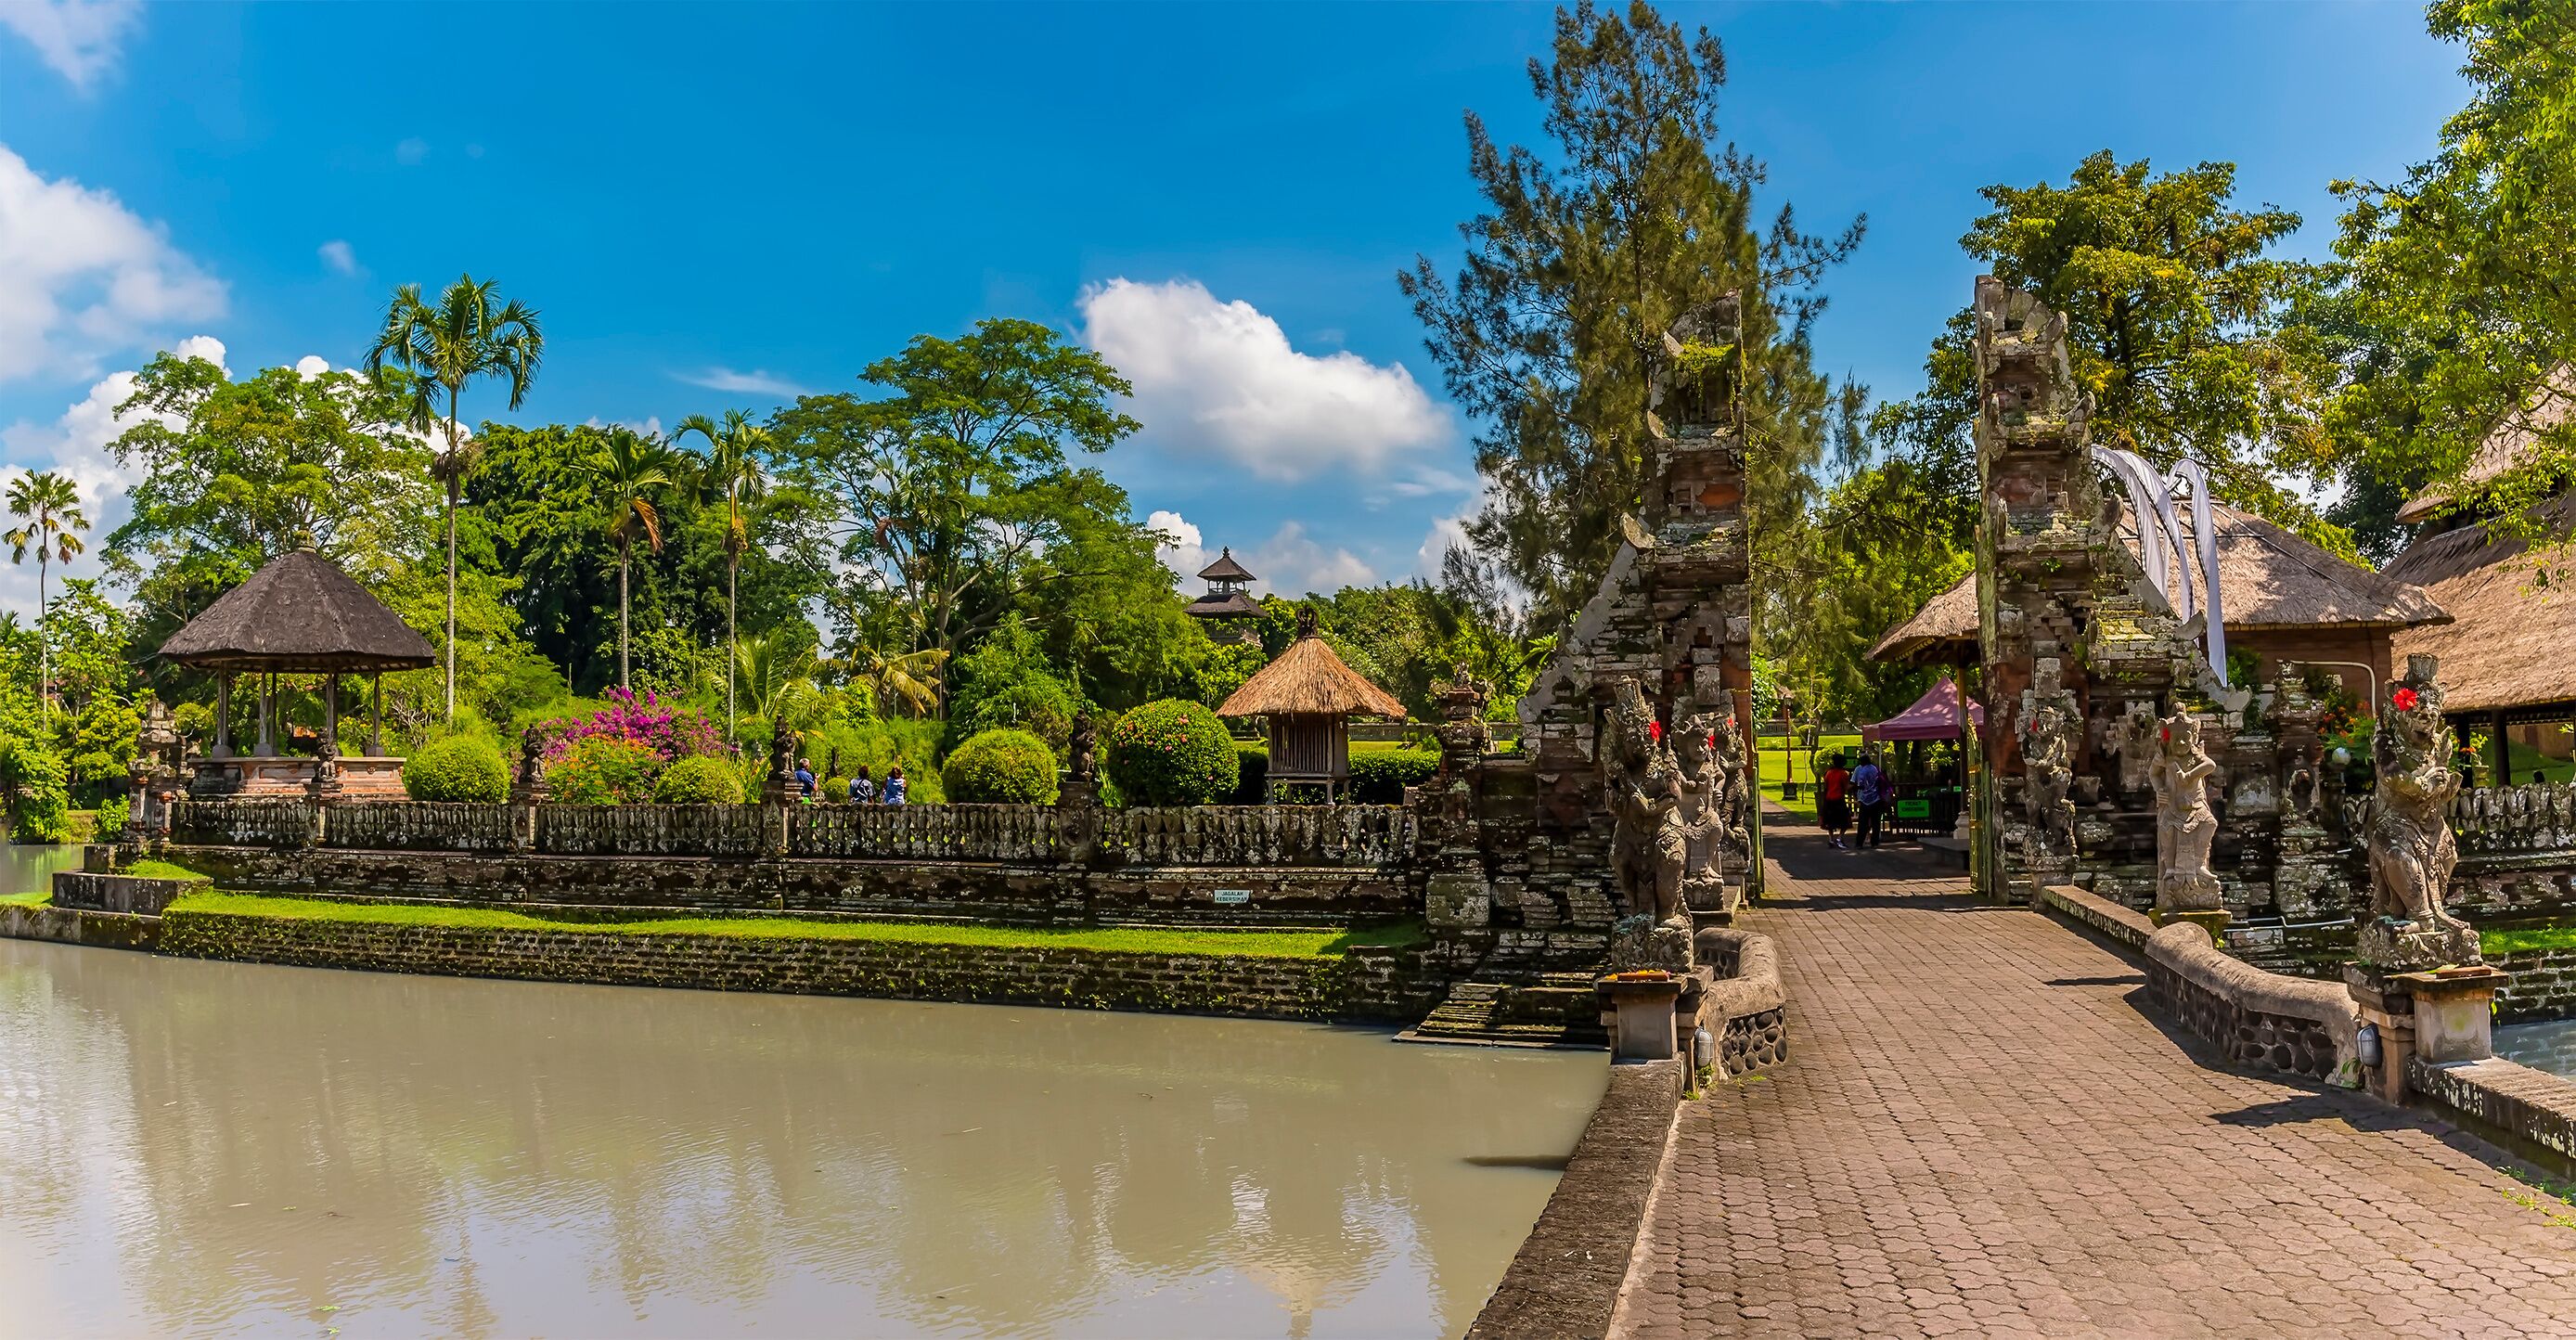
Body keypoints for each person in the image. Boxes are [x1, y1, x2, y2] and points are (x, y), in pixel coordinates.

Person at [1853, 751, 1888, 850]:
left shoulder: (1862, 771)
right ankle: (1875, 842)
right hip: (1876, 798)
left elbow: (1860, 785)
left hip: (1865, 799)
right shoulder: (1875, 769)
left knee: (1863, 823)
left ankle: (1859, 843)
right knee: (1876, 823)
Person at [1817, 753, 1853, 849]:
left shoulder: (1828, 773)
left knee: (1830, 821)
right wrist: (1856, 785)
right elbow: (1846, 787)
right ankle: (1840, 838)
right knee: (1845, 821)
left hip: (1828, 799)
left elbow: (1826, 786)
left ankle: (1831, 839)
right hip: (1839, 799)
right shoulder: (1843, 774)